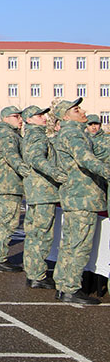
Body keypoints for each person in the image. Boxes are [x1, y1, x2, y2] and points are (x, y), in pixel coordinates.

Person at [50, 97, 110, 304]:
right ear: (66, 116)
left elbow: (98, 151)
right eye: (76, 109)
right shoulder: (73, 134)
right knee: (79, 245)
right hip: (82, 197)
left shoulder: (72, 133)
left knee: (70, 244)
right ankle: (70, 289)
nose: (82, 111)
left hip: (77, 196)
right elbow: (85, 158)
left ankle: (63, 285)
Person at [20, 106, 61, 289]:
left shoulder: (30, 135)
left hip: (36, 191)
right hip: (43, 191)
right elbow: (36, 158)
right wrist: (55, 172)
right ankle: (38, 274)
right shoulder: (37, 136)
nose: (43, 118)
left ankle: (33, 272)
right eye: (38, 115)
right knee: (42, 235)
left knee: (34, 233)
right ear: (29, 119)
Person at [0, 106, 31, 272]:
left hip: (6, 184)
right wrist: (27, 172)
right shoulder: (7, 134)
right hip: (8, 184)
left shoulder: (7, 132)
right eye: (16, 116)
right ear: (5, 118)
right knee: (7, 222)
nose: (20, 119)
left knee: (3, 222)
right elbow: (12, 156)